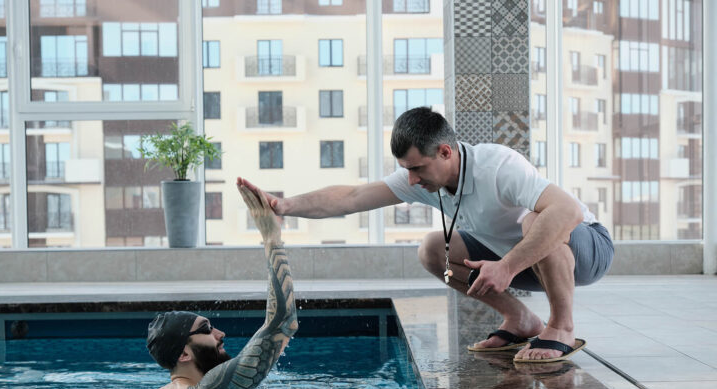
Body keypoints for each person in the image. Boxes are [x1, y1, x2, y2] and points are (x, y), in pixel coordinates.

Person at [240, 107, 613, 363]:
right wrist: (283, 206)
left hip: (585, 250)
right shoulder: (421, 177)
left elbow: (567, 212)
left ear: (446, 152)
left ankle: (561, 325)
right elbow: (352, 197)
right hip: (526, 263)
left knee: (536, 220)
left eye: (417, 168)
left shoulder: (498, 166)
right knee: (433, 249)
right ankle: (521, 321)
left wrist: (508, 267)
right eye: (406, 170)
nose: (412, 180)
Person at [141, 178, 298, 389]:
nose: (220, 334)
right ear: (184, 354)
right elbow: (283, 323)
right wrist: (272, 238)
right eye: (207, 330)